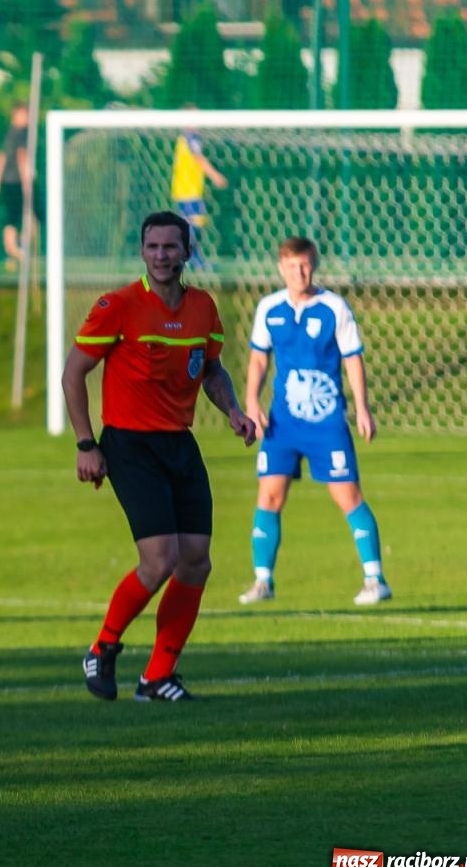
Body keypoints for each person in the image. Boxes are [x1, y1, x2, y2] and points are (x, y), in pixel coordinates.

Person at [62, 210, 257, 702]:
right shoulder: (119, 305)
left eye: (171, 247)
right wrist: (87, 443)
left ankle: (157, 677)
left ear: (187, 252)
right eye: (153, 247)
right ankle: (102, 647)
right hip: (130, 444)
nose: (162, 255)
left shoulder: (203, 308)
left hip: (179, 443)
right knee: (160, 558)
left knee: (196, 561)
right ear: (143, 252)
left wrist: (233, 411)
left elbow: (211, 370)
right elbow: (73, 374)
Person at [237, 236, 390, 607]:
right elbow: (259, 359)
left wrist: (363, 408)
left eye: (305, 265)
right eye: (292, 266)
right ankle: (263, 581)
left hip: (327, 423)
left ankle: (375, 579)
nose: (299, 273)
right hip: (282, 424)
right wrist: (251, 401)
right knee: (269, 496)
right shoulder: (268, 308)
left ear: (314, 265)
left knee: (348, 496)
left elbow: (352, 359)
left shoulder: (334, 307)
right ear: (281, 268)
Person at [170, 105, 229, 268]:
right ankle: (188, 258)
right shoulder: (192, 138)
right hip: (189, 190)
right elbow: (199, 158)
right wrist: (215, 175)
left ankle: (191, 258)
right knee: (193, 224)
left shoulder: (183, 138)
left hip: (183, 189)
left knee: (191, 223)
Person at [0, 103, 33, 270]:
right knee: (16, 216)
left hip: (7, 182)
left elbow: (0, 159)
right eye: (24, 114)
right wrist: (27, 182)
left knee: (13, 217)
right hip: (15, 182)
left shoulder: (9, 134)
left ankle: (13, 252)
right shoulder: (20, 135)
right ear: (15, 115)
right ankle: (15, 250)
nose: (28, 118)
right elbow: (21, 158)